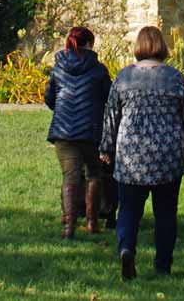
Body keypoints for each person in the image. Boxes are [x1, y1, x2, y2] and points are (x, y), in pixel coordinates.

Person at [100, 25, 184, 281]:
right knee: (166, 212)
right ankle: (163, 264)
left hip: (131, 155)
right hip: (168, 155)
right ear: (162, 47)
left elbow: (111, 116)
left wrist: (106, 148)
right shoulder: (174, 78)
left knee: (128, 209)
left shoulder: (123, 77)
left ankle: (126, 248)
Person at [44, 26, 112, 238]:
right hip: (91, 130)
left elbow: (50, 98)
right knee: (94, 175)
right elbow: (108, 97)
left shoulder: (58, 68)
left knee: (70, 177)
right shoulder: (99, 70)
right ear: (90, 43)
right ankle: (92, 223)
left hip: (63, 131)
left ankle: (68, 227)